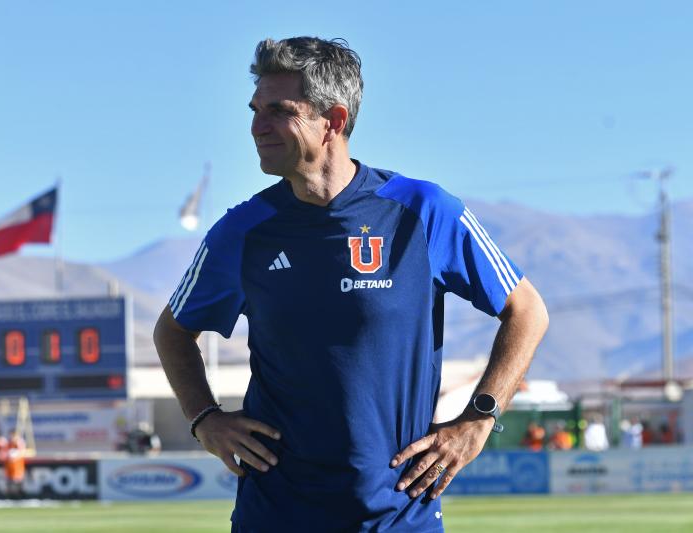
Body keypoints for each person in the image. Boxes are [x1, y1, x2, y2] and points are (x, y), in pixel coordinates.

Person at [154, 36, 548, 532]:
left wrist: (478, 419)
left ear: (334, 121)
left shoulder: (422, 211)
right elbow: (172, 332)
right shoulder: (244, 230)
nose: (257, 127)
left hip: (400, 515)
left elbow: (528, 311)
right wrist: (204, 418)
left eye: (278, 111)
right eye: (255, 110)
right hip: (276, 516)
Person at [4, 428, 26, 497]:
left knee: (18, 479)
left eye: (13, 434)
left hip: (17, 464)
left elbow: (22, 452)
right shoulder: (9, 442)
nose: (11, 436)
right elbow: (5, 452)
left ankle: (19, 495)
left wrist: (15, 454)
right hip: (10, 464)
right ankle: (10, 495)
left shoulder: (19, 442)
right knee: (9, 479)